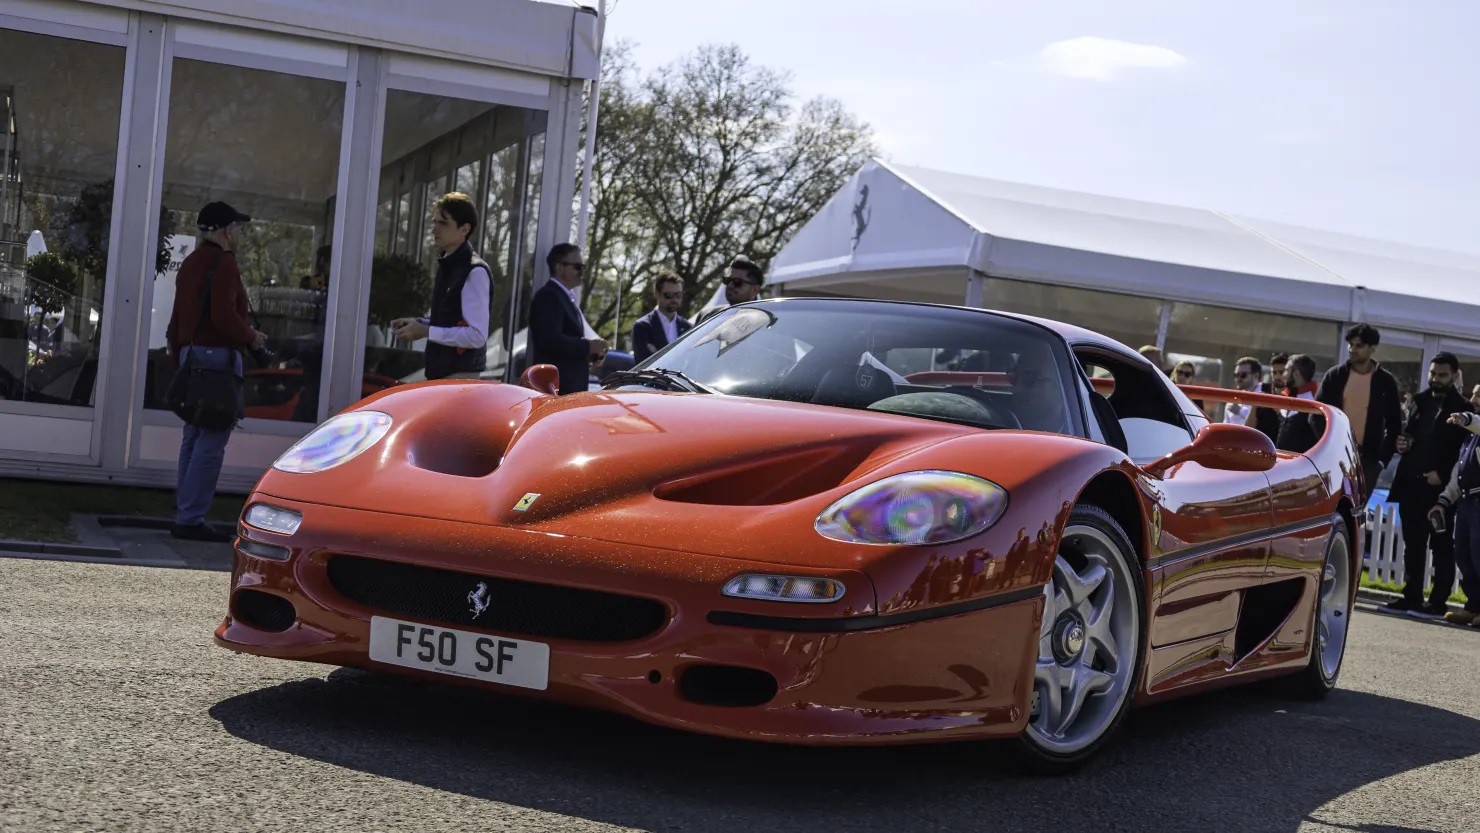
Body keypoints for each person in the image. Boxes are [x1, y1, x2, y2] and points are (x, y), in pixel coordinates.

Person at [164, 201, 265, 543]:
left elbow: (177, 318)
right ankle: (191, 518)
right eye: (237, 228)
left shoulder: (191, 263)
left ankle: (185, 512)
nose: (239, 235)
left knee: (193, 437)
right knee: (211, 441)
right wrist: (251, 336)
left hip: (192, 357)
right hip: (218, 360)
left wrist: (179, 355)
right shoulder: (224, 264)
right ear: (224, 231)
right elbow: (223, 316)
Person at [1383, 353, 1470, 617]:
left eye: (1442, 375)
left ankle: (1437, 602)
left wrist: (1442, 475)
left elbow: (1463, 451)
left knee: (1441, 545)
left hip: (1439, 490)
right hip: (1411, 482)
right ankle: (1411, 597)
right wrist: (1402, 443)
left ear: (1454, 375)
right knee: (1413, 543)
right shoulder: (1420, 401)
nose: (1435, 379)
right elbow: (1410, 434)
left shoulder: (1463, 409)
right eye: (1433, 373)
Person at [389, 193, 492, 380]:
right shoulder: (449, 264)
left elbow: (477, 335)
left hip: (459, 376)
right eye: (434, 222)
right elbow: (450, 320)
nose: (435, 229)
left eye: (443, 223)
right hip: (444, 373)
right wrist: (419, 323)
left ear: (464, 229)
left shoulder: (474, 271)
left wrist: (426, 331)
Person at [1315, 323, 1402, 501]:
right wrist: (1327, 446)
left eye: (1359, 345)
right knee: (1329, 504)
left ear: (1372, 349)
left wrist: (1381, 461)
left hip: (1368, 461)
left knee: (1356, 509)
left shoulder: (1385, 381)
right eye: (1351, 344)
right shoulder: (1335, 375)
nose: (1353, 349)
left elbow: (1395, 424)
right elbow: (1317, 414)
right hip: (1335, 456)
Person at [529, 243, 606, 395]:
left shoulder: (563, 297)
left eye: (583, 267)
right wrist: (588, 347)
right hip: (556, 390)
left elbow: (564, 340)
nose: (582, 271)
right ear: (559, 267)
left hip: (566, 389)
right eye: (578, 267)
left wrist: (589, 353)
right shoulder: (549, 296)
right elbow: (549, 340)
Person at [1431, 409, 1480, 626]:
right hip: (1467, 501)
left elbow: (1477, 422)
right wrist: (1444, 500)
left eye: (1479, 395)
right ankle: (1473, 607)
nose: (1474, 399)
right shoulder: (1470, 435)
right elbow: (1458, 472)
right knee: (1464, 554)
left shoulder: (1474, 425)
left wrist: (1467, 419)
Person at [631, 269, 691, 363]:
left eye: (678, 295)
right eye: (668, 295)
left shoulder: (688, 327)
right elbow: (643, 363)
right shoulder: (642, 327)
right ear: (656, 294)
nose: (674, 299)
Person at [697, 256, 764, 323]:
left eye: (737, 282)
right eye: (728, 280)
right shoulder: (706, 315)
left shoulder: (761, 323)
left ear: (755, 289)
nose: (730, 285)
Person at [1276, 354, 1320, 453]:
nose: (1283, 375)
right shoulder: (1284, 398)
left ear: (1296, 374)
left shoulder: (1314, 405)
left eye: (1286, 370)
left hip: (1300, 465)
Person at [1224, 356, 1261, 426]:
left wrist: (1240, 412)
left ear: (1256, 375)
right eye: (1236, 375)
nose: (1238, 378)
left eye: (1243, 375)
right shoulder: (1231, 401)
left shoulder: (1266, 394)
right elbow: (1225, 426)